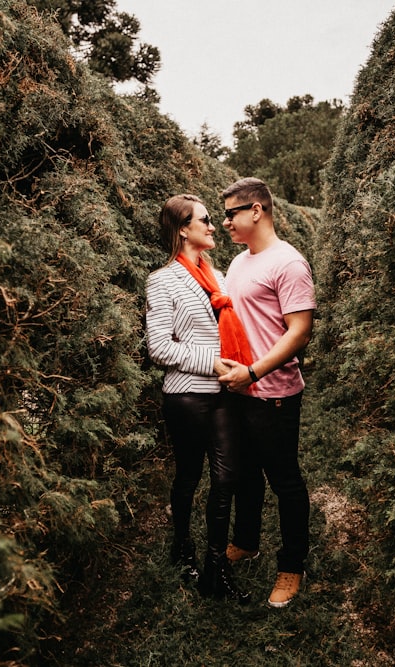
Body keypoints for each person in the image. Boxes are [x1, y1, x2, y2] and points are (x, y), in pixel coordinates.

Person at [145, 194, 252, 602]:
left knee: (226, 477)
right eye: (205, 220)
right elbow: (159, 348)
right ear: (182, 229)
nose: (213, 226)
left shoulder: (220, 277)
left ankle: (214, 567)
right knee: (189, 476)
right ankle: (182, 546)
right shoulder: (162, 280)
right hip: (187, 396)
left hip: (224, 394)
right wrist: (214, 363)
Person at [217, 177, 316, 608]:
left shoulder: (289, 263)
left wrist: (254, 371)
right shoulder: (238, 263)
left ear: (256, 210)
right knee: (243, 474)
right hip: (239, 390)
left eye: (231, 213)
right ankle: (246, 541)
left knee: (285, 481)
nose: (224, 223)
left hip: (274, 392)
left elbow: (300, 331)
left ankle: (291, 566)